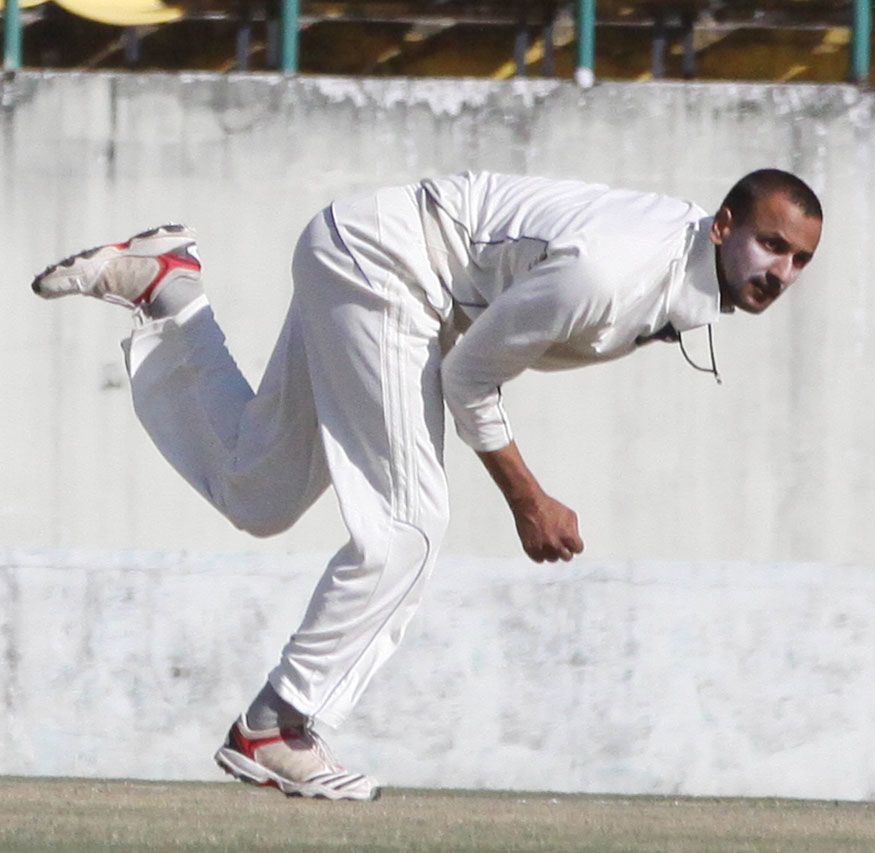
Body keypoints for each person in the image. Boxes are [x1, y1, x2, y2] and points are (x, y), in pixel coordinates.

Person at [31, 168, 822, 801]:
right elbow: (469, 374)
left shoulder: (679, 264)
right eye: (771, 245)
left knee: (258, 492)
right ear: (723, 226)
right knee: (408, 525)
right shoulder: (610, 275)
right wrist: (529, 500)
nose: (781, 271)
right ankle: (276, 725)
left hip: (384, 262)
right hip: (386, 267)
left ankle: (167, 292)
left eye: (799, 261)